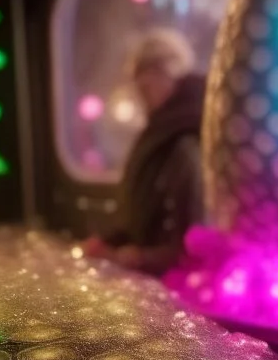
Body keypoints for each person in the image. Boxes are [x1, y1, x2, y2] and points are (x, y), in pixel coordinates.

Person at [83, 28, 206, 274]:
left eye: (146, 80)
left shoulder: (185, 145)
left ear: (166, 73)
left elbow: (192, 246)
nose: (141, 92)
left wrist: (138, 257)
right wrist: (111, 240)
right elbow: (146, 216)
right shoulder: (161, 136)